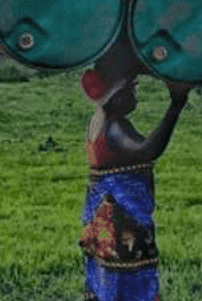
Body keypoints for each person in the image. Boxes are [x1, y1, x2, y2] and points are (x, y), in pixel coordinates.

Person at [79, 54, 191, 301]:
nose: (135, 96)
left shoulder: (99, 121)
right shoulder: (116, 126)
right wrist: (176, 104)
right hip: (121, 221)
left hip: (101, 219)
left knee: (106, 279)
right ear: (116, 95)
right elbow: (148, 151)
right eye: (132, 89)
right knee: (129, 281)